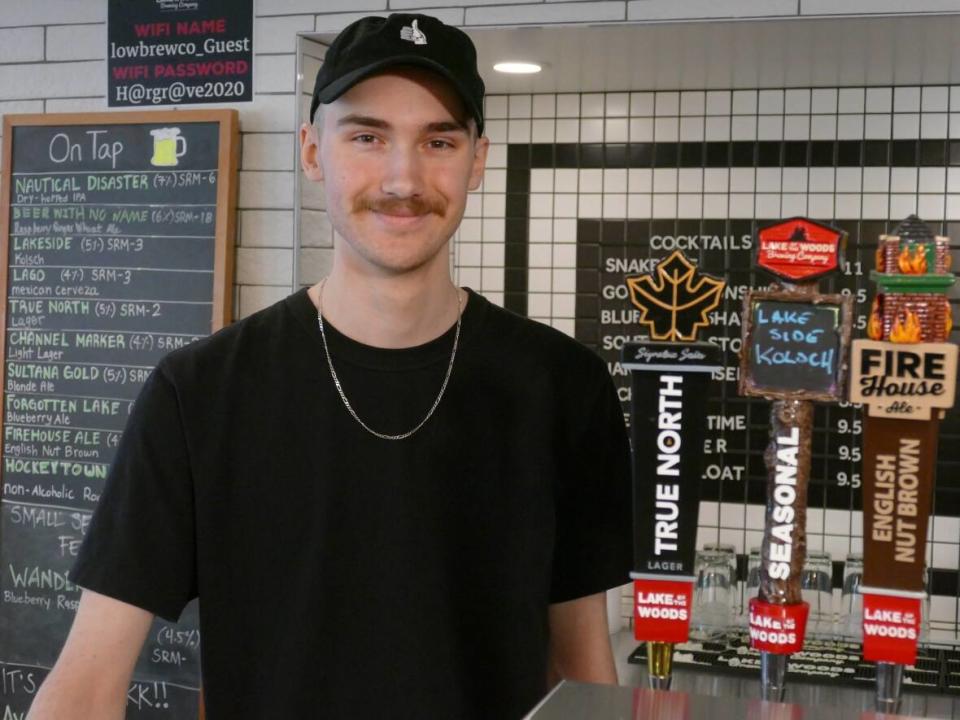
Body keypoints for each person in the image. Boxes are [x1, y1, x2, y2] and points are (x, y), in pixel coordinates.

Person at [28, 13, 632, 720]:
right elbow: (84, 686)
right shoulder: (200, 394)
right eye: (367, 137)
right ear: (313, 151)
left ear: (477, 159)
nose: (404, 178)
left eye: (438, 140)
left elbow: (583, 670)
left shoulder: (563, 388)